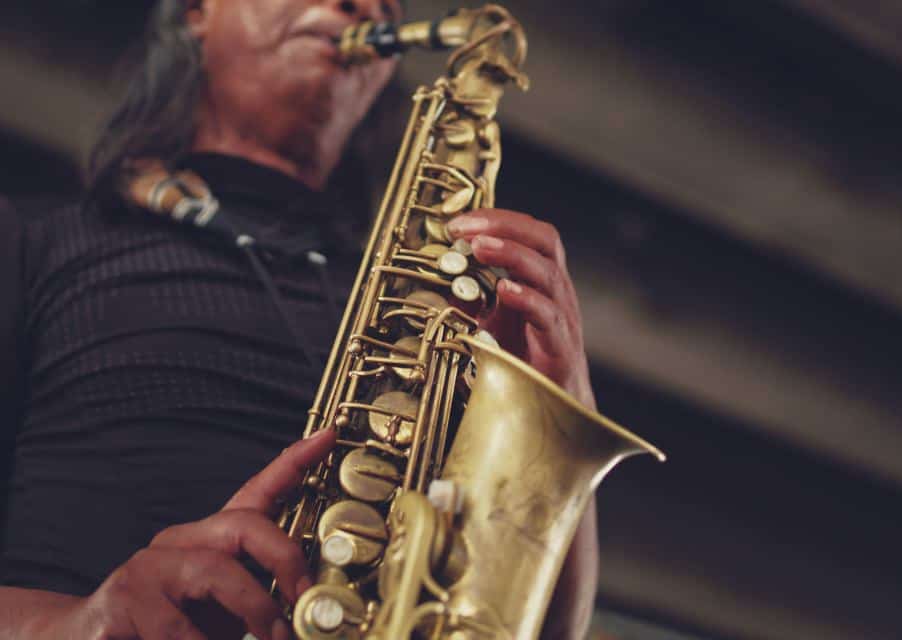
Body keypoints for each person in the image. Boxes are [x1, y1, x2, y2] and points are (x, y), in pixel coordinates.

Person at [0, 1, 598, 639]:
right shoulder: (32, 240)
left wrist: (560, 392)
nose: (362, 4)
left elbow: (535, 626)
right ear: (198, 11)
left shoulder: (429, 312)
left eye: (388, 3)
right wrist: (79, 625)